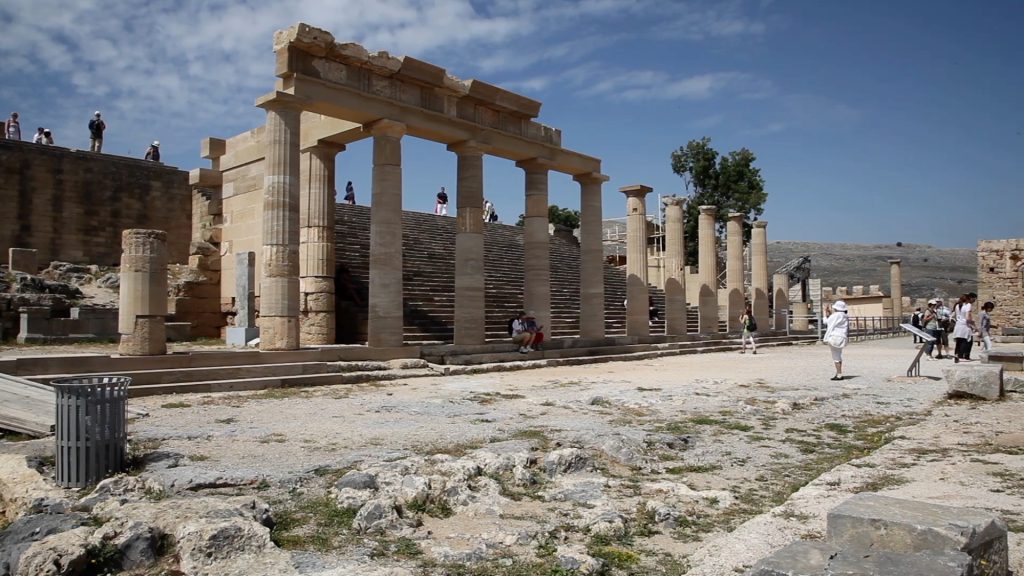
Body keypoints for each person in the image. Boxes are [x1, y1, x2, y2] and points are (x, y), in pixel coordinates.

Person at [823, 300, 849, 380]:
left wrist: (825, 313)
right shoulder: (845, 316)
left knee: (836, 357)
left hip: (835, 337)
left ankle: (839, 374)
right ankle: (839, 373)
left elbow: (826, 322)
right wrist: (830, 314)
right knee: (838, 355)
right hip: (842, 337)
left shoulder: (835, 315)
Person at [951, 292, 977, 363]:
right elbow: (967, 317)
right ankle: (963, 356)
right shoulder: (968, 305)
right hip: (965, 325)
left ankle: (957, 355)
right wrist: (973, 324)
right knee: (966, 341)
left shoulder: (957, 305)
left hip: (958, 325)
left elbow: (955, 316)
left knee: (959, 341)